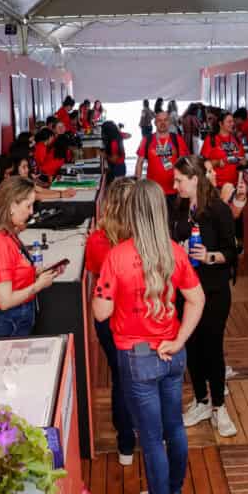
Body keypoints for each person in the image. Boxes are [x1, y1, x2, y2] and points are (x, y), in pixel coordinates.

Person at [92, 180, 205, 494]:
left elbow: (100, 312)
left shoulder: (118, 255)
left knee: (152, 439)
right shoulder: (174, 250)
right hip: (173, 355)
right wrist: (178, 340)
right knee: (174, 429)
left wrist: (104, 292)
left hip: (136, 357)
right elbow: (197, 299)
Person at [171, 156, 239, 438]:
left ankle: (219, 406)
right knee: (193, 349)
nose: (175, 186)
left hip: (213, 291)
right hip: (185, 291)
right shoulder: (178, 208)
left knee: (212, 348)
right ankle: (201, 401)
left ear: (195, 179)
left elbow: (233, 252)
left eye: (179, 180)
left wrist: (210, 256)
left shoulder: (219, 210)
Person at [86, 178, 138, 465]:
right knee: (142, 377)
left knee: (120, 377)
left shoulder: (97, 239)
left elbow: (95, 272)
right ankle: (147, 429)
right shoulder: (143, 239)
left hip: (106, 318)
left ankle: (125, 444)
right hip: (136, 316)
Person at [0, 176, 62, 338]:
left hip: (16, 318)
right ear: (11, 206)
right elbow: (5, 301)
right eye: (28, 206)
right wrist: (38, 285)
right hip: (6, 323)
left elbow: (14, 272)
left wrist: (36, 273)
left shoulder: (9, 234)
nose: (31, 211)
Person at [135, 111, 190, 208]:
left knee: (173, 220)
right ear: (155, 123)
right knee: (155, 221)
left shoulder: (177, 139)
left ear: (169, 122)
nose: (163, 123)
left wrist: (183, 187)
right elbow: (139, 163)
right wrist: (138, 185)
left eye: (165, 120)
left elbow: (184, 164)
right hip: (153, 190)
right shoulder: (147, 139)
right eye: (159, 120)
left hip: (174, 189)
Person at [202, 111, 246, 188]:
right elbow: (202, 163)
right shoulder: (211, 139)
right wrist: (217, 163)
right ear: (220, 123)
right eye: (229, 122)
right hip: (217, 186)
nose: (232, 124)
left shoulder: (236, 139)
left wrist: (243, 161)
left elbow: (242, 158)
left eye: (233, 121)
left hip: (234, 185)